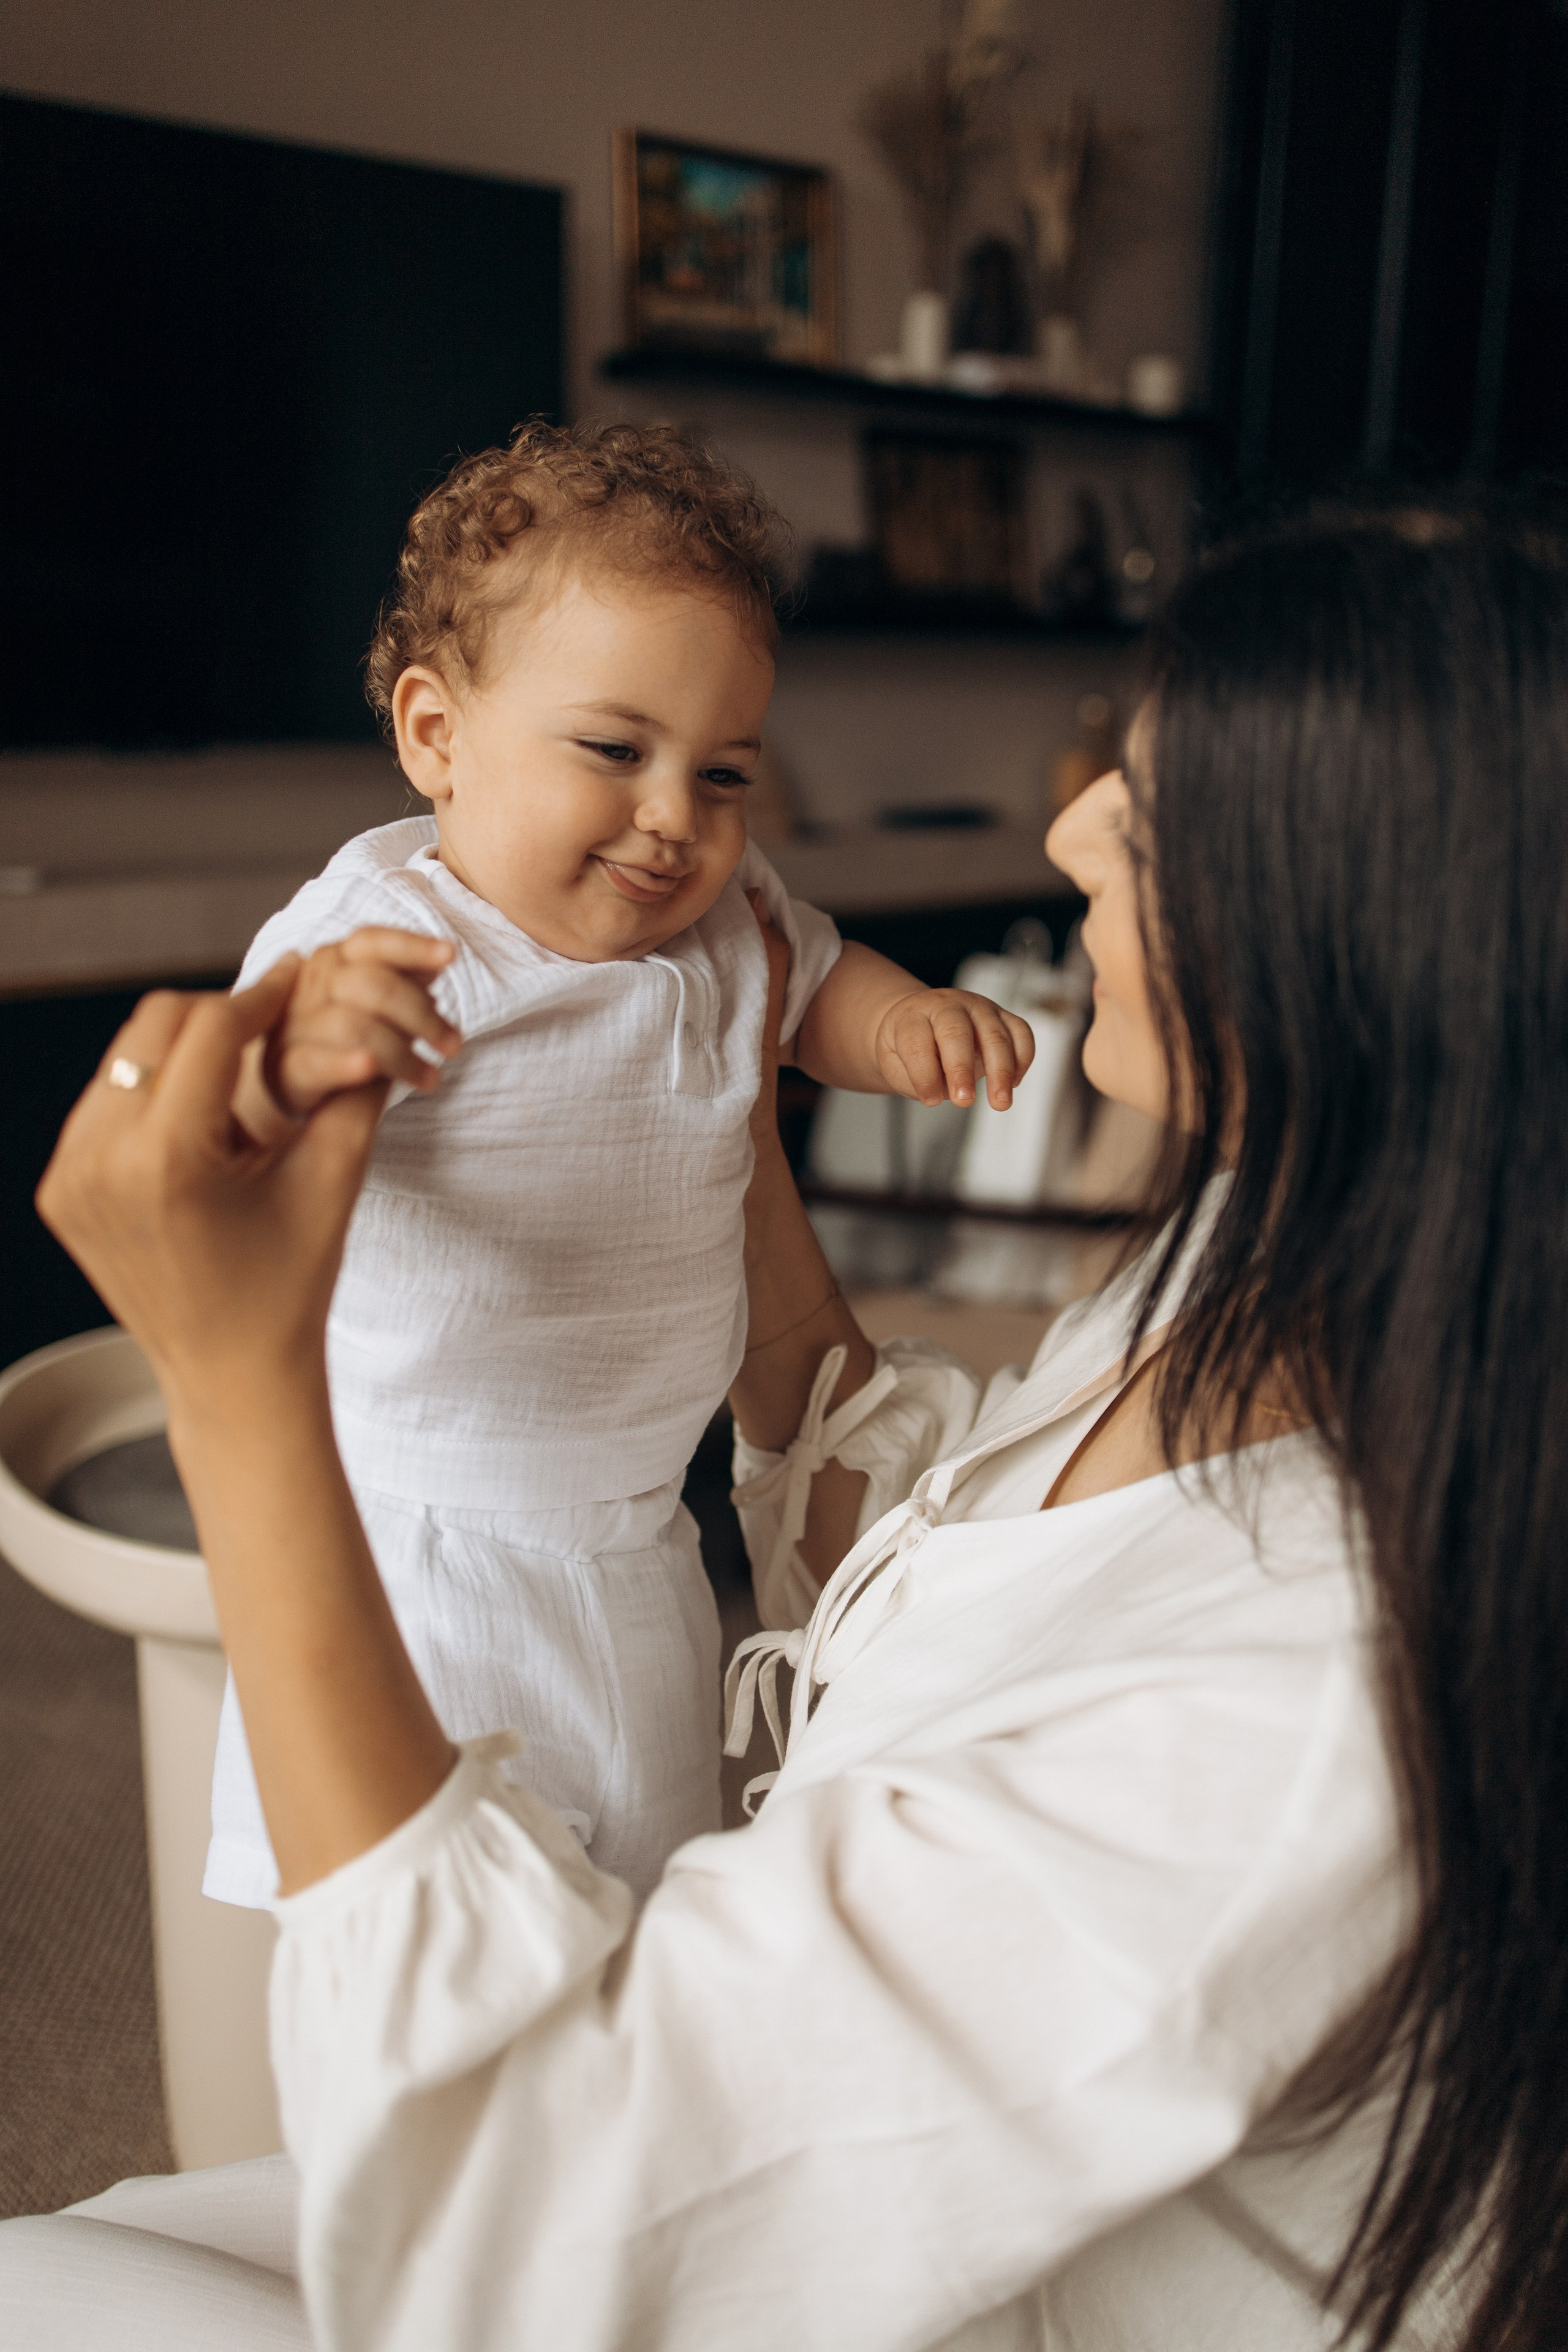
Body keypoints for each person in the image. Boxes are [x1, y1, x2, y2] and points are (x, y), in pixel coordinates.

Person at [4, 498, 1559, 2352]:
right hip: (595, 1854)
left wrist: (238, 1394)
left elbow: (525, 2248)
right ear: (435, 730)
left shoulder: (1304, 1708)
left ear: (1370, 939)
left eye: (1147, 806)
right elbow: (966, 1562)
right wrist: (725, 1142)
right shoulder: (1253, 1257)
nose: (1067, 825)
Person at [204, 419, 1034, 1907]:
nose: (674, 821)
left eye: (723, 774)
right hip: (423, 1555)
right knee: (431, 1929)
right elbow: (224, 1131)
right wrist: (301, 1048)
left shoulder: (729, 922)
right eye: (614, 751)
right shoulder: (382, 940)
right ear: (434, 737)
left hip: (646, 1531)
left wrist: (901, 1019)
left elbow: (814, 987)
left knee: (637, 1908)